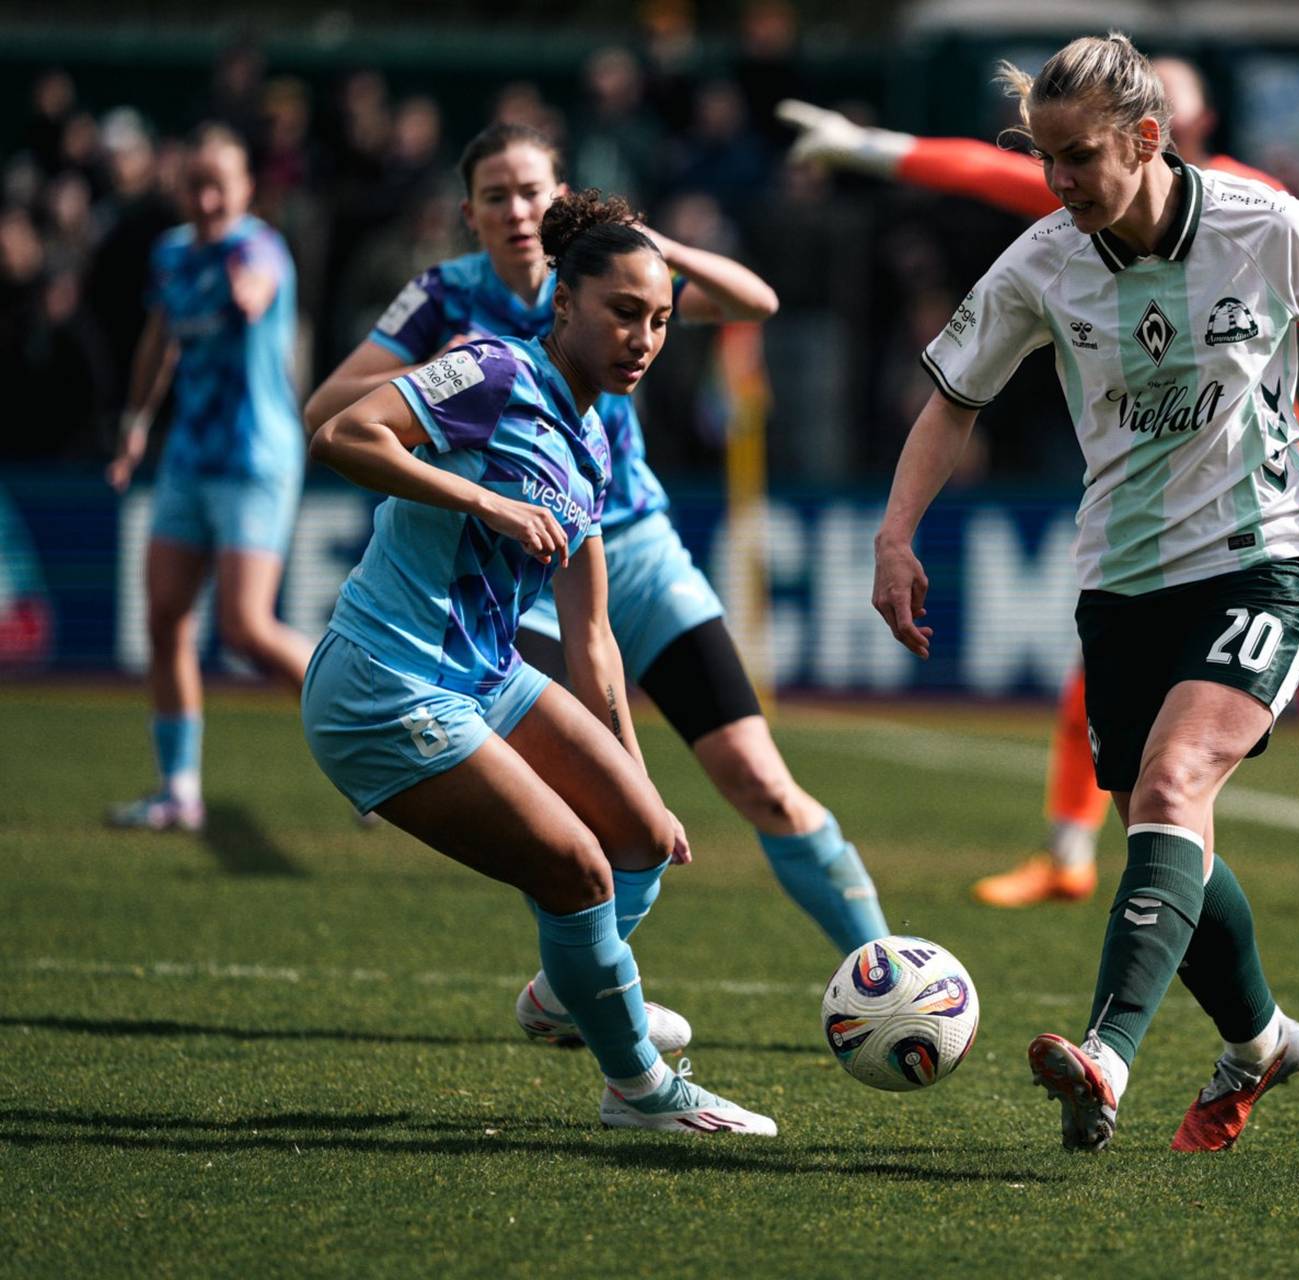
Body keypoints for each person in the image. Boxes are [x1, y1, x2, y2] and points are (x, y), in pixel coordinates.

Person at [872, 34, 1299, 1153]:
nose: (1058, 184)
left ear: (1147, 139)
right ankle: (1259, 1038)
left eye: (1078, 159)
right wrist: (895, 533)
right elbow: (953, 400)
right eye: (1044, 159)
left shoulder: (1268, 224)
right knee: (1166, 823)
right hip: (1121, 580)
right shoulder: (1041, 262)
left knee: (1174, 775)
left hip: (1265, 556)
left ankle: (1105, 1054)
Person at [784, 59, 1299, 917]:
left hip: (1258, 493)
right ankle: (1070, 851)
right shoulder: (1073, 214)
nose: (1064, 174)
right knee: (1113, 679)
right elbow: (985, 171)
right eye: (1056, 156)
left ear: (1171, 128)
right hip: (1143, 506)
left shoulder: (1248, 206)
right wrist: (870, 148)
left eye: (1172, 113)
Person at [305, 124, 888, 1044]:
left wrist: (647, 244)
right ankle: (595, 1005)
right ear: (471, 214)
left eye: (534, 190)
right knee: (568, 820)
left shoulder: (620, 273)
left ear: (562, 196)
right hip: (508, 571)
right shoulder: (450, 304)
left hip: (632, 548)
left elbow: (757, 302)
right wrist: (454, 412)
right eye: (495, 195)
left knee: (756, 783)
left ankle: (884, 975)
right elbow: (330, 417)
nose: (518, 210)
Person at [305, 190, 775, 1135]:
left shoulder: (595, 441)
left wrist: (638, 779)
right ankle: (639, 1089)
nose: (643, 338)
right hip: (385, 681)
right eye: (622, 313)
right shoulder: (487, 369)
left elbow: (592, 635)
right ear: (564, 304)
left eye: (660, 321)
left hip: (481, 678)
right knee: (579, 873)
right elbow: (341, 434)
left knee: (639, 839)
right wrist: (484, 504)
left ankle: (567, 997)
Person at [104, 124, 314, 832]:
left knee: (247, 629)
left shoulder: (258, 246)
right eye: (196, 183)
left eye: (221, 182)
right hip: (190, 456)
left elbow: (256, 290)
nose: (208, 196)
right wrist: (135, 426)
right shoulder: (170, 255)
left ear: (247, 186)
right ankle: (179, 791)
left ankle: (379, 728)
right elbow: (158, 341)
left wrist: (243, 290)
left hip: (255, 458)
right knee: (164, 616)